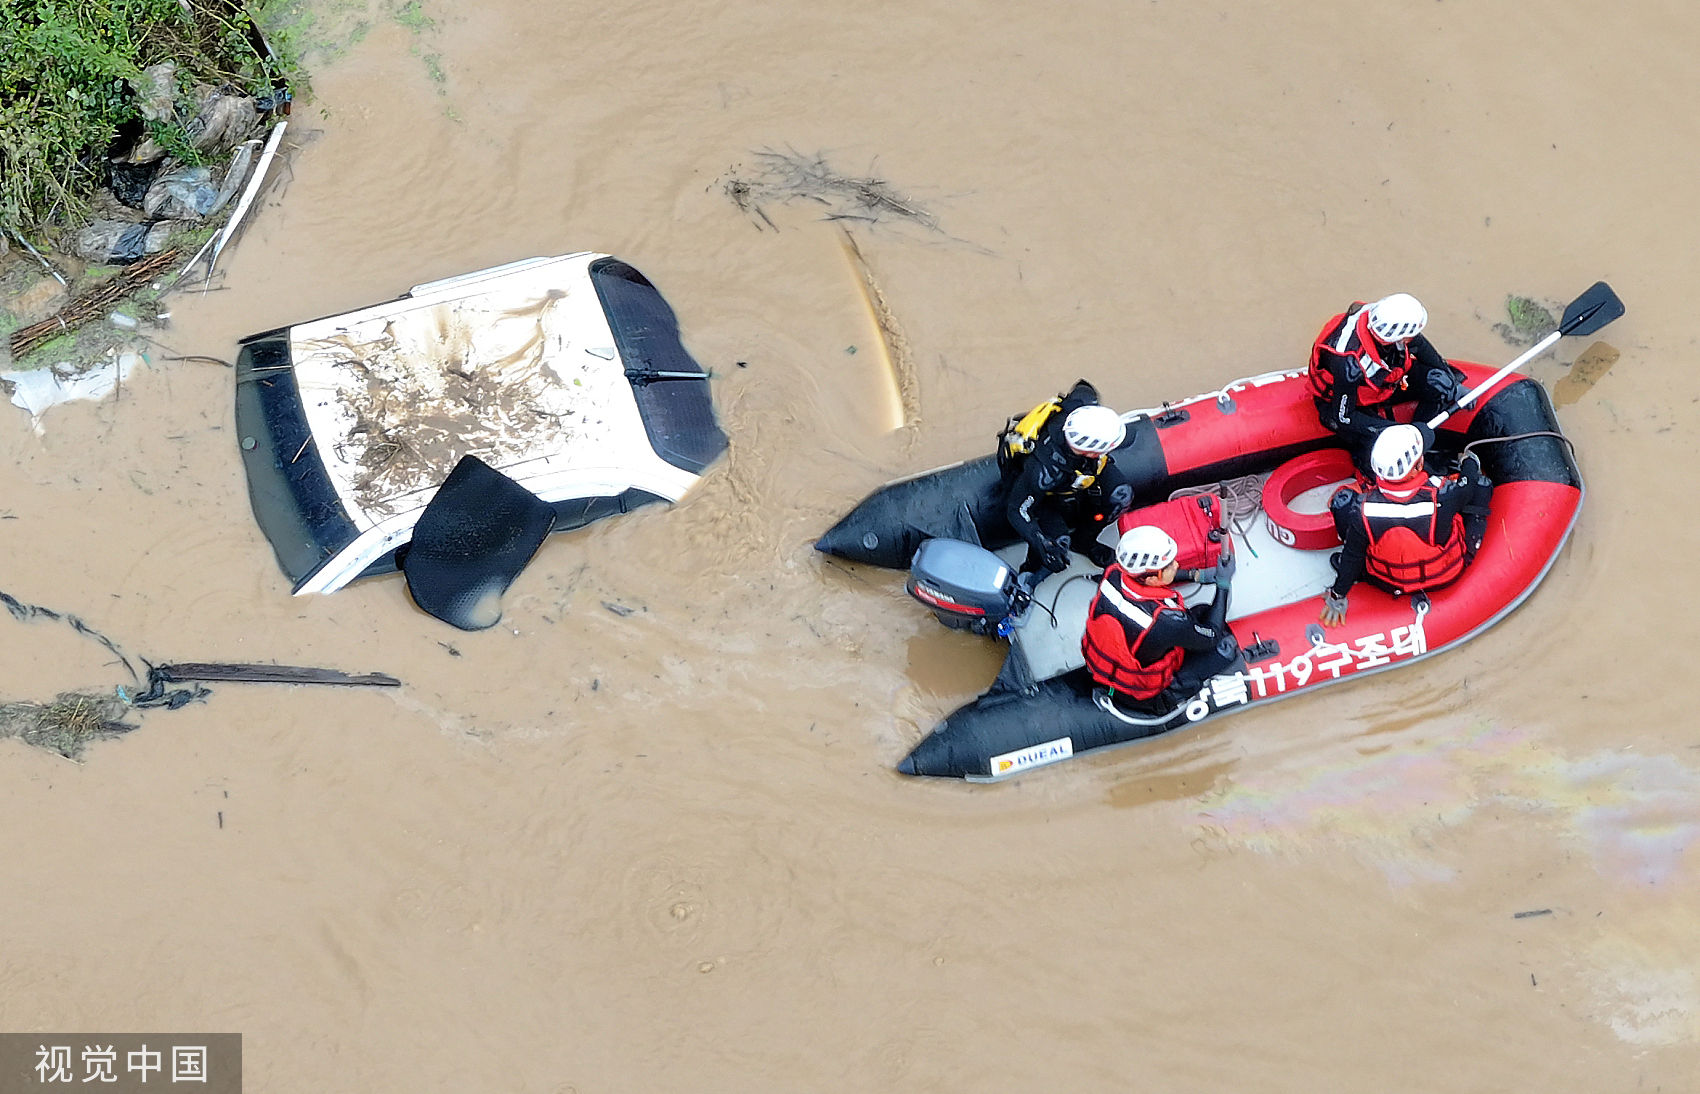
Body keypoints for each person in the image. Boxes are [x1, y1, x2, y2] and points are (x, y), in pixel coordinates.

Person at [1319, 424, 1493, 627]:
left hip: (1387, 582)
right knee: (1482, 486)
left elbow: (1352, 556)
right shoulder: (1445, 496)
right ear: (1418, 466)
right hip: (1446, 575)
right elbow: (1469, 482)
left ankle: (1360, 578)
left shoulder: (1363, 510)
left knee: (1343, 501)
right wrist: (1469, 462)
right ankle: (1476, 544)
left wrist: (1338, 593)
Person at [1081, 525, 1243, 707]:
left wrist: (1196, 575)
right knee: (1223, 651)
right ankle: (1168, 698)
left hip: (1112, 661)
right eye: (1170, 565)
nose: (1177, 565)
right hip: (1142, 692)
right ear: (1151, 578)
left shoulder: (1113, 573)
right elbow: (1211, 635)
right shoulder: (1167, 621)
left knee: (1202, 612)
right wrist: (1223, 583)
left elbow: (1149, 577)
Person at [1307, 293, 1467, 472]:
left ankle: (1421, 443)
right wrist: (1399, 432)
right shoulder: (1349, 365)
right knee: (1376, 447)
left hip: (1382, 387)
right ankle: (1401, 458)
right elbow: (1343, 416)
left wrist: (1452, 382)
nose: (1412, 338)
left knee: (1440, 385)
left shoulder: (1381, 324)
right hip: (1345, 404)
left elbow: (1420, 346)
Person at [999, 380, 1135, 581]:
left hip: (1078, 471)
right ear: (1090, 452)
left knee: (1121, 496)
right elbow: (1017, 510)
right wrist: (1041, 543)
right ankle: (1030, 571)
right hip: (1046, 494)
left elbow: (1082, 385)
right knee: (1057, 541)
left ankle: (1084, 540)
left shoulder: (1083, 399)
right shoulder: (1044, 472)